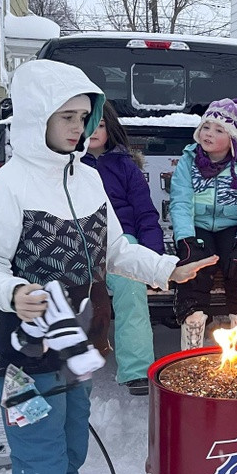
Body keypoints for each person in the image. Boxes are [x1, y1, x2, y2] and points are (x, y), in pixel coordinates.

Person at [0, 59, 216, 474]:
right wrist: (10, 292)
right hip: (29, 352)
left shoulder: (88, 177)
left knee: (71, 450)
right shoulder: (10, 184)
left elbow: (117, 252)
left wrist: (167, 269)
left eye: (85, 115)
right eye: (67, 116)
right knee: (40, 462)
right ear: (36, 119)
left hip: (78, 343)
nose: (79, 127)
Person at [82, 100, 164, 396]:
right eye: (87, 123)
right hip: (79, 240)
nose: (93, 131)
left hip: (123, 242)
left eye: (100, 125)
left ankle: (137, 369)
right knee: (71, 293)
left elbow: (145, 213)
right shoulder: (67, 167)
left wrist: (152, 257)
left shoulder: (125, 167)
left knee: (131, 289)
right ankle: (67, 365)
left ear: (111, 129)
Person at [169, 98, 237, 350]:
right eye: (206, 127)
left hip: (231, 225)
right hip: (197, 225)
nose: (209, 133)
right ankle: (193, 320)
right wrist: (185, 240)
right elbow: (180, 203)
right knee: (196, 266)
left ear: (233, 139)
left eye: (219, 130)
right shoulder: (187, 162)